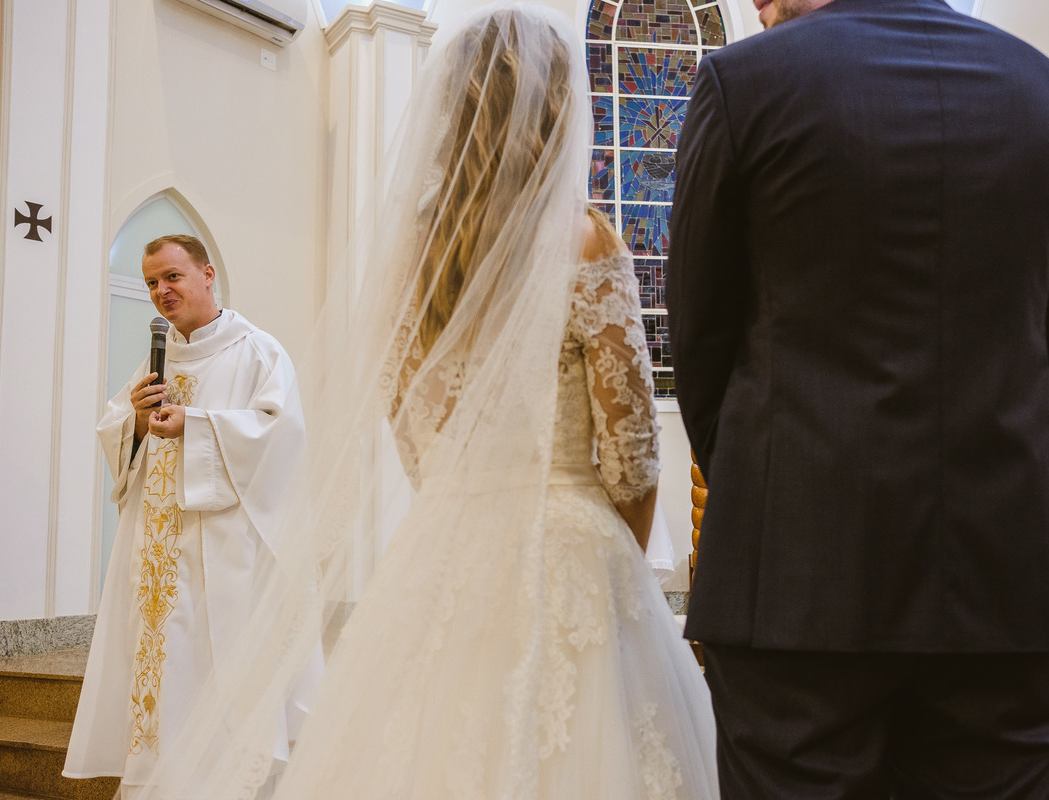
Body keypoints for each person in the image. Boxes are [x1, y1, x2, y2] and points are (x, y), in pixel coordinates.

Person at [126, 7, 716, 800]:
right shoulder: (585, 241)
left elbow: (414, 441)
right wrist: (613, 567)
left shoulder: (412, 260)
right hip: (572, 547)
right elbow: (635, 451)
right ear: (552, 110)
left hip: (444, 550)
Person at [667, 0, 1049, 796]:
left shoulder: (743, 85)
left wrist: (771, 491)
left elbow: (699, 340)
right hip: (1008, 573)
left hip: (798, 584)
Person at [63, 235, 312, 797]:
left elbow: (281, 435)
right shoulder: (159, 355)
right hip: (154, 552)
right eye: (151, 282)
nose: (160, 292)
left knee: (215, 667)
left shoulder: (258, 351)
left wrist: (196, 425)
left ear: (206, 273)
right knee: (159, 672)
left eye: (171, 277)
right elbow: (116, 429)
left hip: (223, 551)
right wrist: (137, 422)